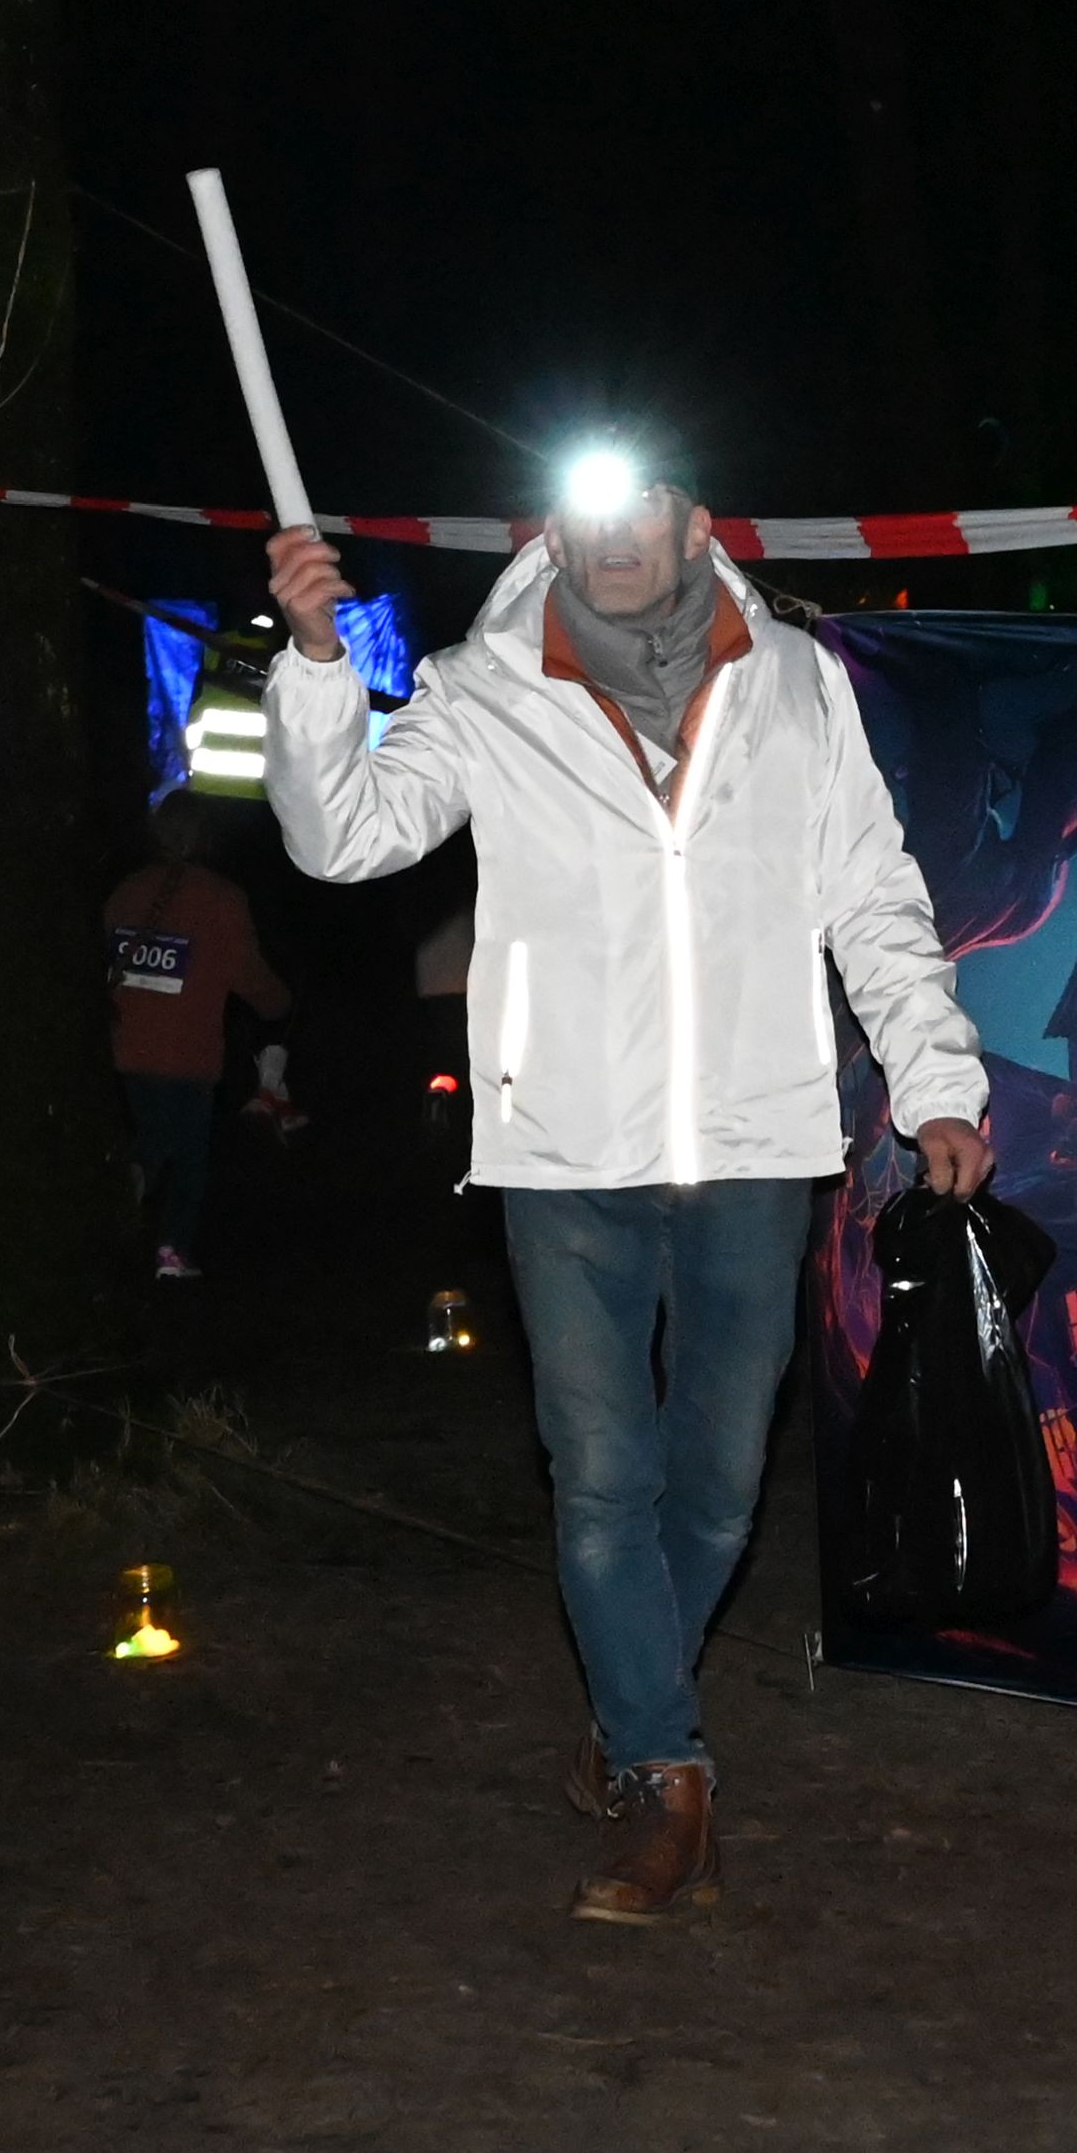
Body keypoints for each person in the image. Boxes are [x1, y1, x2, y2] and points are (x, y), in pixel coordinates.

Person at [264, 439, 990, 1925]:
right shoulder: (485, 687)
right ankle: (671, 1777)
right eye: (586, 509)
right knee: (602, 1479)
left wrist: (938, 1082)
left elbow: (871, 892)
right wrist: (320, 667)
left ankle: (627, 1699)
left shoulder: (796, 685)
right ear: (554, 526)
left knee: (717, 1490)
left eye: (641, 504)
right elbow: (345, 839)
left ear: (692, 523)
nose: (613, 534)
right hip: (564, 1150)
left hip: (754, 1145)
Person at [100, 796, 288, 1281]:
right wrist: (281, 1005)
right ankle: (172, 1251)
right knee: (186, 1155)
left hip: (128, 1044)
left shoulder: (126, 891)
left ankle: (125, 1198)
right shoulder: (221, 898)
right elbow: (248, 974)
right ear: (207, 837)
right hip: (188, 1050)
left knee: (152, 1133)